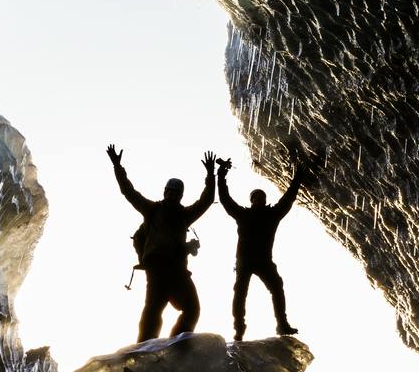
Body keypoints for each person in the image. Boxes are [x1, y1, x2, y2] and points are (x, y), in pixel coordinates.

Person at [107, 145, 216, 342]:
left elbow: (207, 201)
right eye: (170, 191)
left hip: (178, 271)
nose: (172, 195)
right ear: (164, 192)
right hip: (157, 269)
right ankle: (144, 351)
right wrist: (117, 166)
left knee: (192, 310)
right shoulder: (152, 209)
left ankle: (175, 347)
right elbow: (129, 192)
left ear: (181, 195)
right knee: (153, 312)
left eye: (176, 193)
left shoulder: (185, 215)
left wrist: (211, 174)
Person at [217, 152, 310, 340]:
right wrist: (221, 177)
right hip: (244, 261)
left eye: (261, 197)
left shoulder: (272, 214)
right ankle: (239, 329)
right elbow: (225, 200)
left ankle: (282, 324)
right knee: (240, 293)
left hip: (264, 261)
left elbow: (288, 198)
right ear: (251, 201)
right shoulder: (243, 214)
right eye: (255, 197)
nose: (258, 199)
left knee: (277, 286)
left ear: (265, 200)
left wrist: (298, 177)